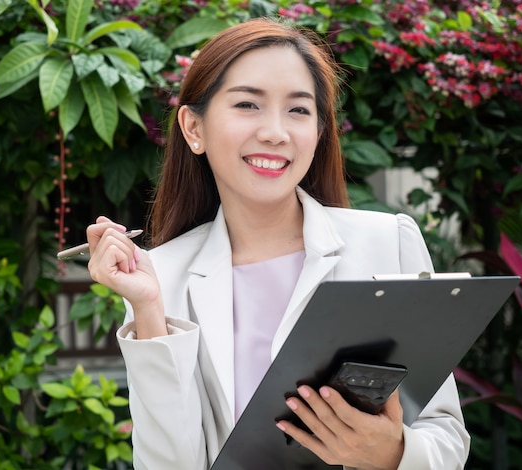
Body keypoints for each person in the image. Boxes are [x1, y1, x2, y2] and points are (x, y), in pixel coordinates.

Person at [86, 17, 470, 470]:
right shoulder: (159, 277)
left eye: (299, 110)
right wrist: (150, 312)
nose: (275, 132)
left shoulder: (388, 243)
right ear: (193, 128)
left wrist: (392, 453)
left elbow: (446, 437)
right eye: (248, 104)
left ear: (320, 132)